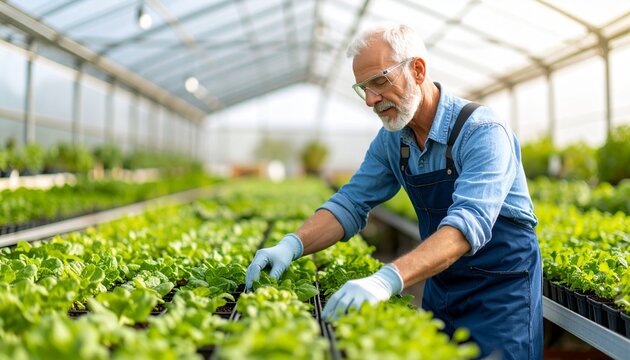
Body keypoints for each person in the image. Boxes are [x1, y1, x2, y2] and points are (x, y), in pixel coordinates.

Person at [245, 23, 542, 360]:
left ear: (417, 69)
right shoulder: (393, 140)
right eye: (363, 88)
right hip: (441, 286)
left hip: (501, 298)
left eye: (380, 82)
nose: (371, 99)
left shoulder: (481, 131)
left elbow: (466, 226)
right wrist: (292, 244)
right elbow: (350, 203)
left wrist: (387, 278)